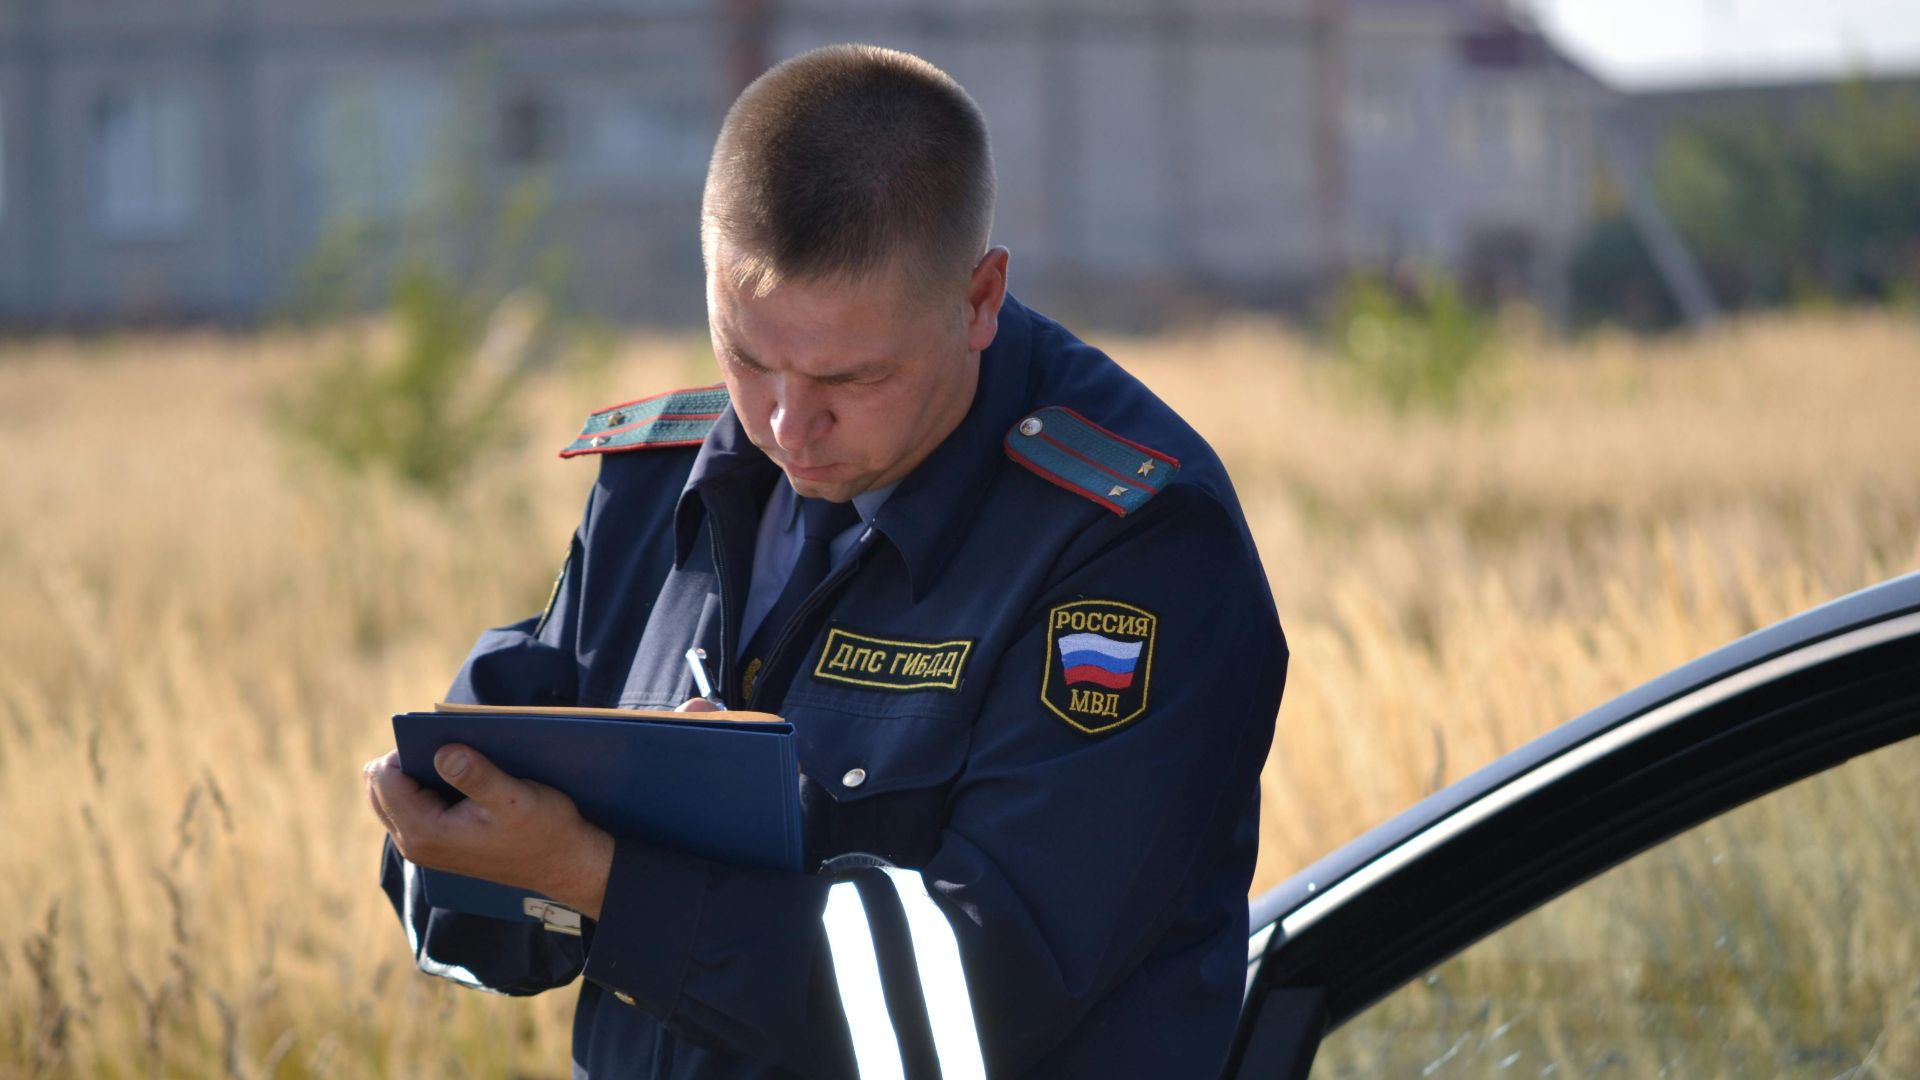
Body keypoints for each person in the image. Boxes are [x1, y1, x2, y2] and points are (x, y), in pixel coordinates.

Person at [362, 42, 1287, 1079]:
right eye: (748, 354)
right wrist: (451, 841)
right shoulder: (653, 486)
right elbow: (469, 927)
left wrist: (607, 880)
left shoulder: (1131, 546)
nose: (789, 424)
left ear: (980, 297)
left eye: (853, 375)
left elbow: (973, 1008)